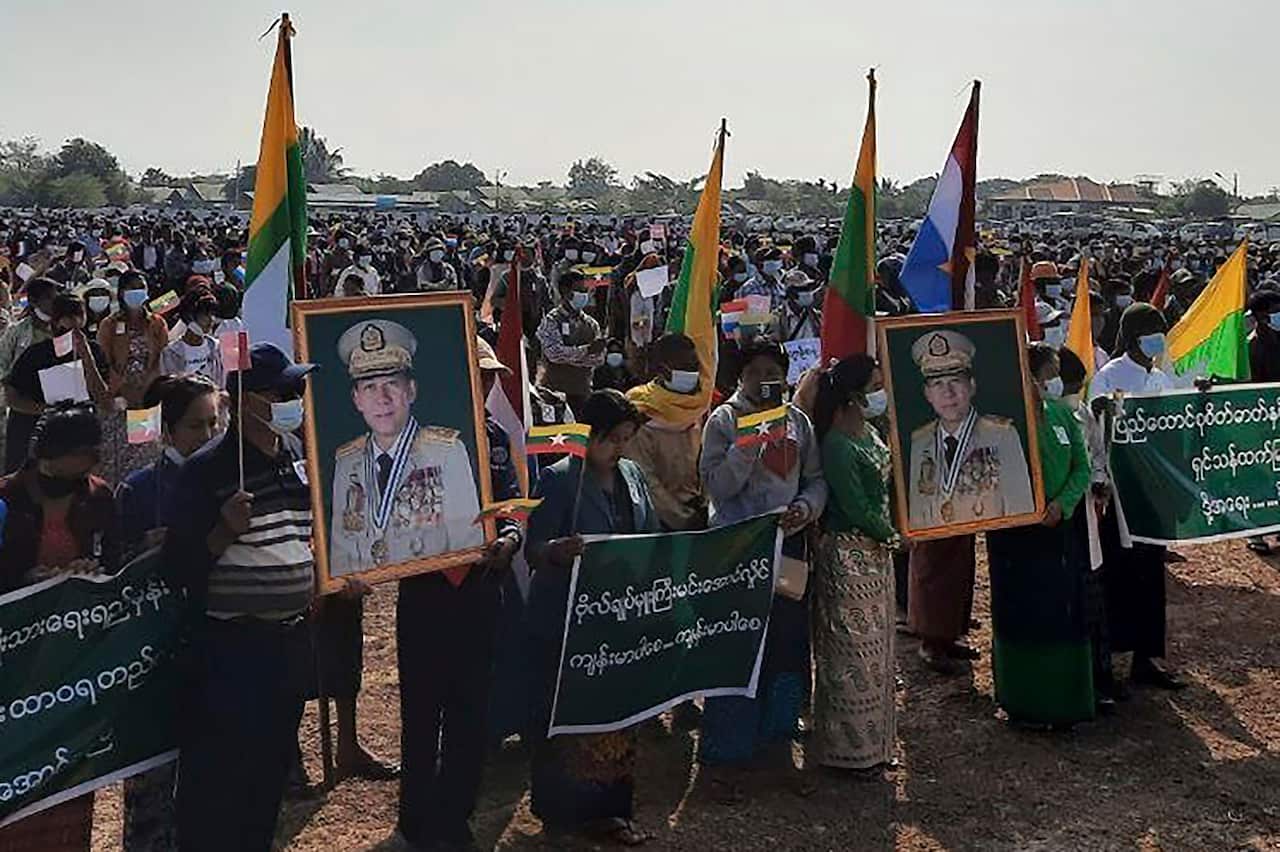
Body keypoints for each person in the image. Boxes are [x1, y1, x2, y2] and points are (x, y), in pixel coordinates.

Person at [160, 343, 321, 851]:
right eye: (285, 391)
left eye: (300, 389)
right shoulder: (205, 471)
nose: (297, 399)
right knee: (219, 782)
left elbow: (305, 537)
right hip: (230, 650)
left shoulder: (296, 456)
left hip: (290, 644)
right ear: (248, 400)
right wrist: (222, 532)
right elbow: (177, 570)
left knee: (269, 774)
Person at [396, 338, 524, 852]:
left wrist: (511, 538)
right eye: (478, 374)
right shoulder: (412, 439)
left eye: (492, 375)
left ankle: (456, 818)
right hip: (427, 591)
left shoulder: (494, 437)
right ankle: (415, 821)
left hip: (481, 589)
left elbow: (514, 500)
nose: (488, 383)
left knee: (472, 713)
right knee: (422, 713)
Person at [525, 389, 658, 847]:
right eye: (613, 440)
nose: (620, 449)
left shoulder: (635, 476)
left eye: (626, 440)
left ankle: (612, 811)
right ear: (591, 436)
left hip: (620, 622)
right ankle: (560, 816)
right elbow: (534, 549)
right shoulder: (561, 480)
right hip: (567, 622)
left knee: (618, 718)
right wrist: (559, 552)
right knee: (565, 720)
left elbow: (651, 535)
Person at [698, 339, 827, 799]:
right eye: (755, 371)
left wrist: (806, 509)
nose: (765, 379)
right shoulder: (723, 421)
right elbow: (716, 485)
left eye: (774, 369)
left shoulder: (799, 423)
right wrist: (749, 442)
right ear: (741, 376)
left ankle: (779, 745)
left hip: (788, 548)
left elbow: (815, 480)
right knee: (737, 646)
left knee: (787, 644)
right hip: (737, 551)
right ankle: (725, 756)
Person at [0, 402, 118, 852]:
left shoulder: (99, 497)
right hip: (16, 666)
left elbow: (115, 562)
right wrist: (26, 581)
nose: (94, 460)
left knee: (67, 776)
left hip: (72, 664)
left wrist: (92, 571)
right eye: (87, 452)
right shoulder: (6, 502)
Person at [114, 373, 220, 852]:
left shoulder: (233, 479)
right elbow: (115, 574)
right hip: (155, 655)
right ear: (168, 429)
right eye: (197, 426)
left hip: (219, 643)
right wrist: (146, 549)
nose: (209, 436)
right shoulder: (140, 490)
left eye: (215, 423)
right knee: (152, 792)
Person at [985, 343, 1095, 728]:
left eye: (1054, 374)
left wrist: (1061, 505)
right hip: (1017, 539)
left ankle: (1064, 700)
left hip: (1059, 531)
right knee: (1023, 614)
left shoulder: (1063, 416)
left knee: (1060, 613)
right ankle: (1024, 702)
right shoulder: (1001, 423)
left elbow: (1081, 468)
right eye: (1047, 374)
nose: (1053, 382)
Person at [329, 319, 483, 575]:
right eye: (370, 387)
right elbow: (341, 550)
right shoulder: (347, 462)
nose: (382, 398)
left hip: (429, 597)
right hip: (369, 602)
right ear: (357, 400)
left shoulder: (445, 453)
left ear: (411, 391)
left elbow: (467, 543)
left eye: (392, 384)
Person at [809, 354, 899, 770]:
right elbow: (855, 505)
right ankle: (846, 751)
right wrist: (893, 535)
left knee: (877, 652)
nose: (881, 392)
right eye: (875, 385)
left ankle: (876, 745)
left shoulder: (870, 432)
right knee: (849, 657)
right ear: (852, 394)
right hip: (848, 556)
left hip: (876, 555)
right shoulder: (836, 444)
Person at [1089, 303, 1185, 691]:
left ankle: (1147, 657)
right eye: (1151, 332)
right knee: (1119, 575)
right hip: (1122, 495)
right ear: (1132, 337)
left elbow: (1178, 422)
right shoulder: (1109, 376)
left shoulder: (1161, 377)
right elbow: (1095, 434)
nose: (1157, 340)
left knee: (1151, 577)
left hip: (1155, 494)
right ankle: (1111, 663)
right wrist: (1100, 478)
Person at [905, 330, 1034, 530]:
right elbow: (917, 511)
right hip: (941, 550)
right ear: (927, 394)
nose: (947, 393)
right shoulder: (920, 441)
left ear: (972, 386)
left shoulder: (1001, 435)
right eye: (937, 384)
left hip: (989, 547)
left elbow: (1020, 507)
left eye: (955, 381)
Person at [4, 292, 112, 474]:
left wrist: (86, 357)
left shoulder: (94, 351)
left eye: (78, 314)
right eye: (67, 316)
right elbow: (13, 397)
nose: (73, 321)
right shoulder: (36, 355)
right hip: (44, 439)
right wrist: (46, 410)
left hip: (80, 437)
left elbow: (102, 397)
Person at [624, 333, 707, 532]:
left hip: (700, 515)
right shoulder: (639, 410)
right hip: (658, 522)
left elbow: (706, 463)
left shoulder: (698, 406)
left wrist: (706, 507)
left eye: (695, 365)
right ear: (663, 370)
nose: (694, 372)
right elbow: (645, 480)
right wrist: (682, 518)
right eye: (686, 367)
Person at [535, 269, 606, 414]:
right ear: (564, 291)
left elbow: (598, 359)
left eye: (585, 290)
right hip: (554, 394)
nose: (583, 295)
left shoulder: (591, 324)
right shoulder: (551, 320)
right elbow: (554, 354)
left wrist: (572, 355)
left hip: (582, 392)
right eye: (578, 290)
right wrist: (585, 351)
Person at [1245, 291, 1280, 553]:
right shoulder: (1251, 346)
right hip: (1259, 422)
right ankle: (1255, 532)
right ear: (1259, 316)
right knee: (1258, 477)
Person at [159, 287, 224, 387]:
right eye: (204, 314)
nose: (211, 319)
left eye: (213, 314)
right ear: (189, 316)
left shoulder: (216, 348)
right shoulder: (170, 353)